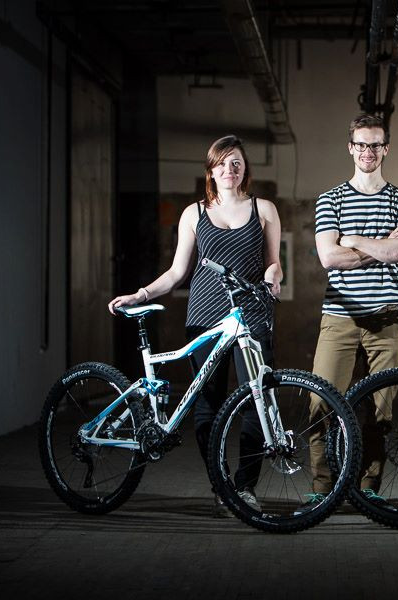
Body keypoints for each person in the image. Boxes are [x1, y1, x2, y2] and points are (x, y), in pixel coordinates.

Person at [108, 135, 282, 515]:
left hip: (251, 315)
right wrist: (140, 294)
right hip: (205, 316)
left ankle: (245, 488)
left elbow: (273, 262)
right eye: (222, 163)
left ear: (245, 169)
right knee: (208, 405)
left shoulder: (264, 209)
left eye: (236, 163)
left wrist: (273, 278)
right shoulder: (194, 213)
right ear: (211, 170)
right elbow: (176, 272)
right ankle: (220, 485)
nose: (229, 170)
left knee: (257, 399)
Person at [301, 113, 398, 511]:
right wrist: (380, 245)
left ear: (386, 149)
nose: (369, 151)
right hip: (340, 314)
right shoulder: (330, 199)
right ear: (351, 148)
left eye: (376, 145)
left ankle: (369, 488)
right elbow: (329, 258)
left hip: (388, 315)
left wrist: (353, 239)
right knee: (320, 400)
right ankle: (322, 487)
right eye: (362, 144)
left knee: (380, 408)